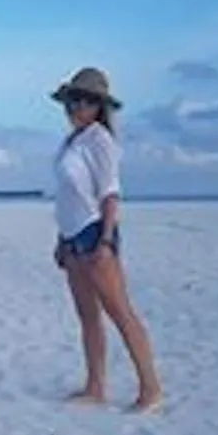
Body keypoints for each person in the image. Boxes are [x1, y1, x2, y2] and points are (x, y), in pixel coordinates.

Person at [49, 67, 164, 413]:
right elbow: (69, 195)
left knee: (120, 312)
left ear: (98, 106)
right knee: (88, 316)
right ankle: (95, 386)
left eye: (84, 101)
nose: (76, 107)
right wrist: (61, 239)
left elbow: (110, 194)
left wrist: (106, 241)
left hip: (94, 232)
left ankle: (151, 389)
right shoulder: (73, 141)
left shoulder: (100, 140)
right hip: (72, 236)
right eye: (72, 100)